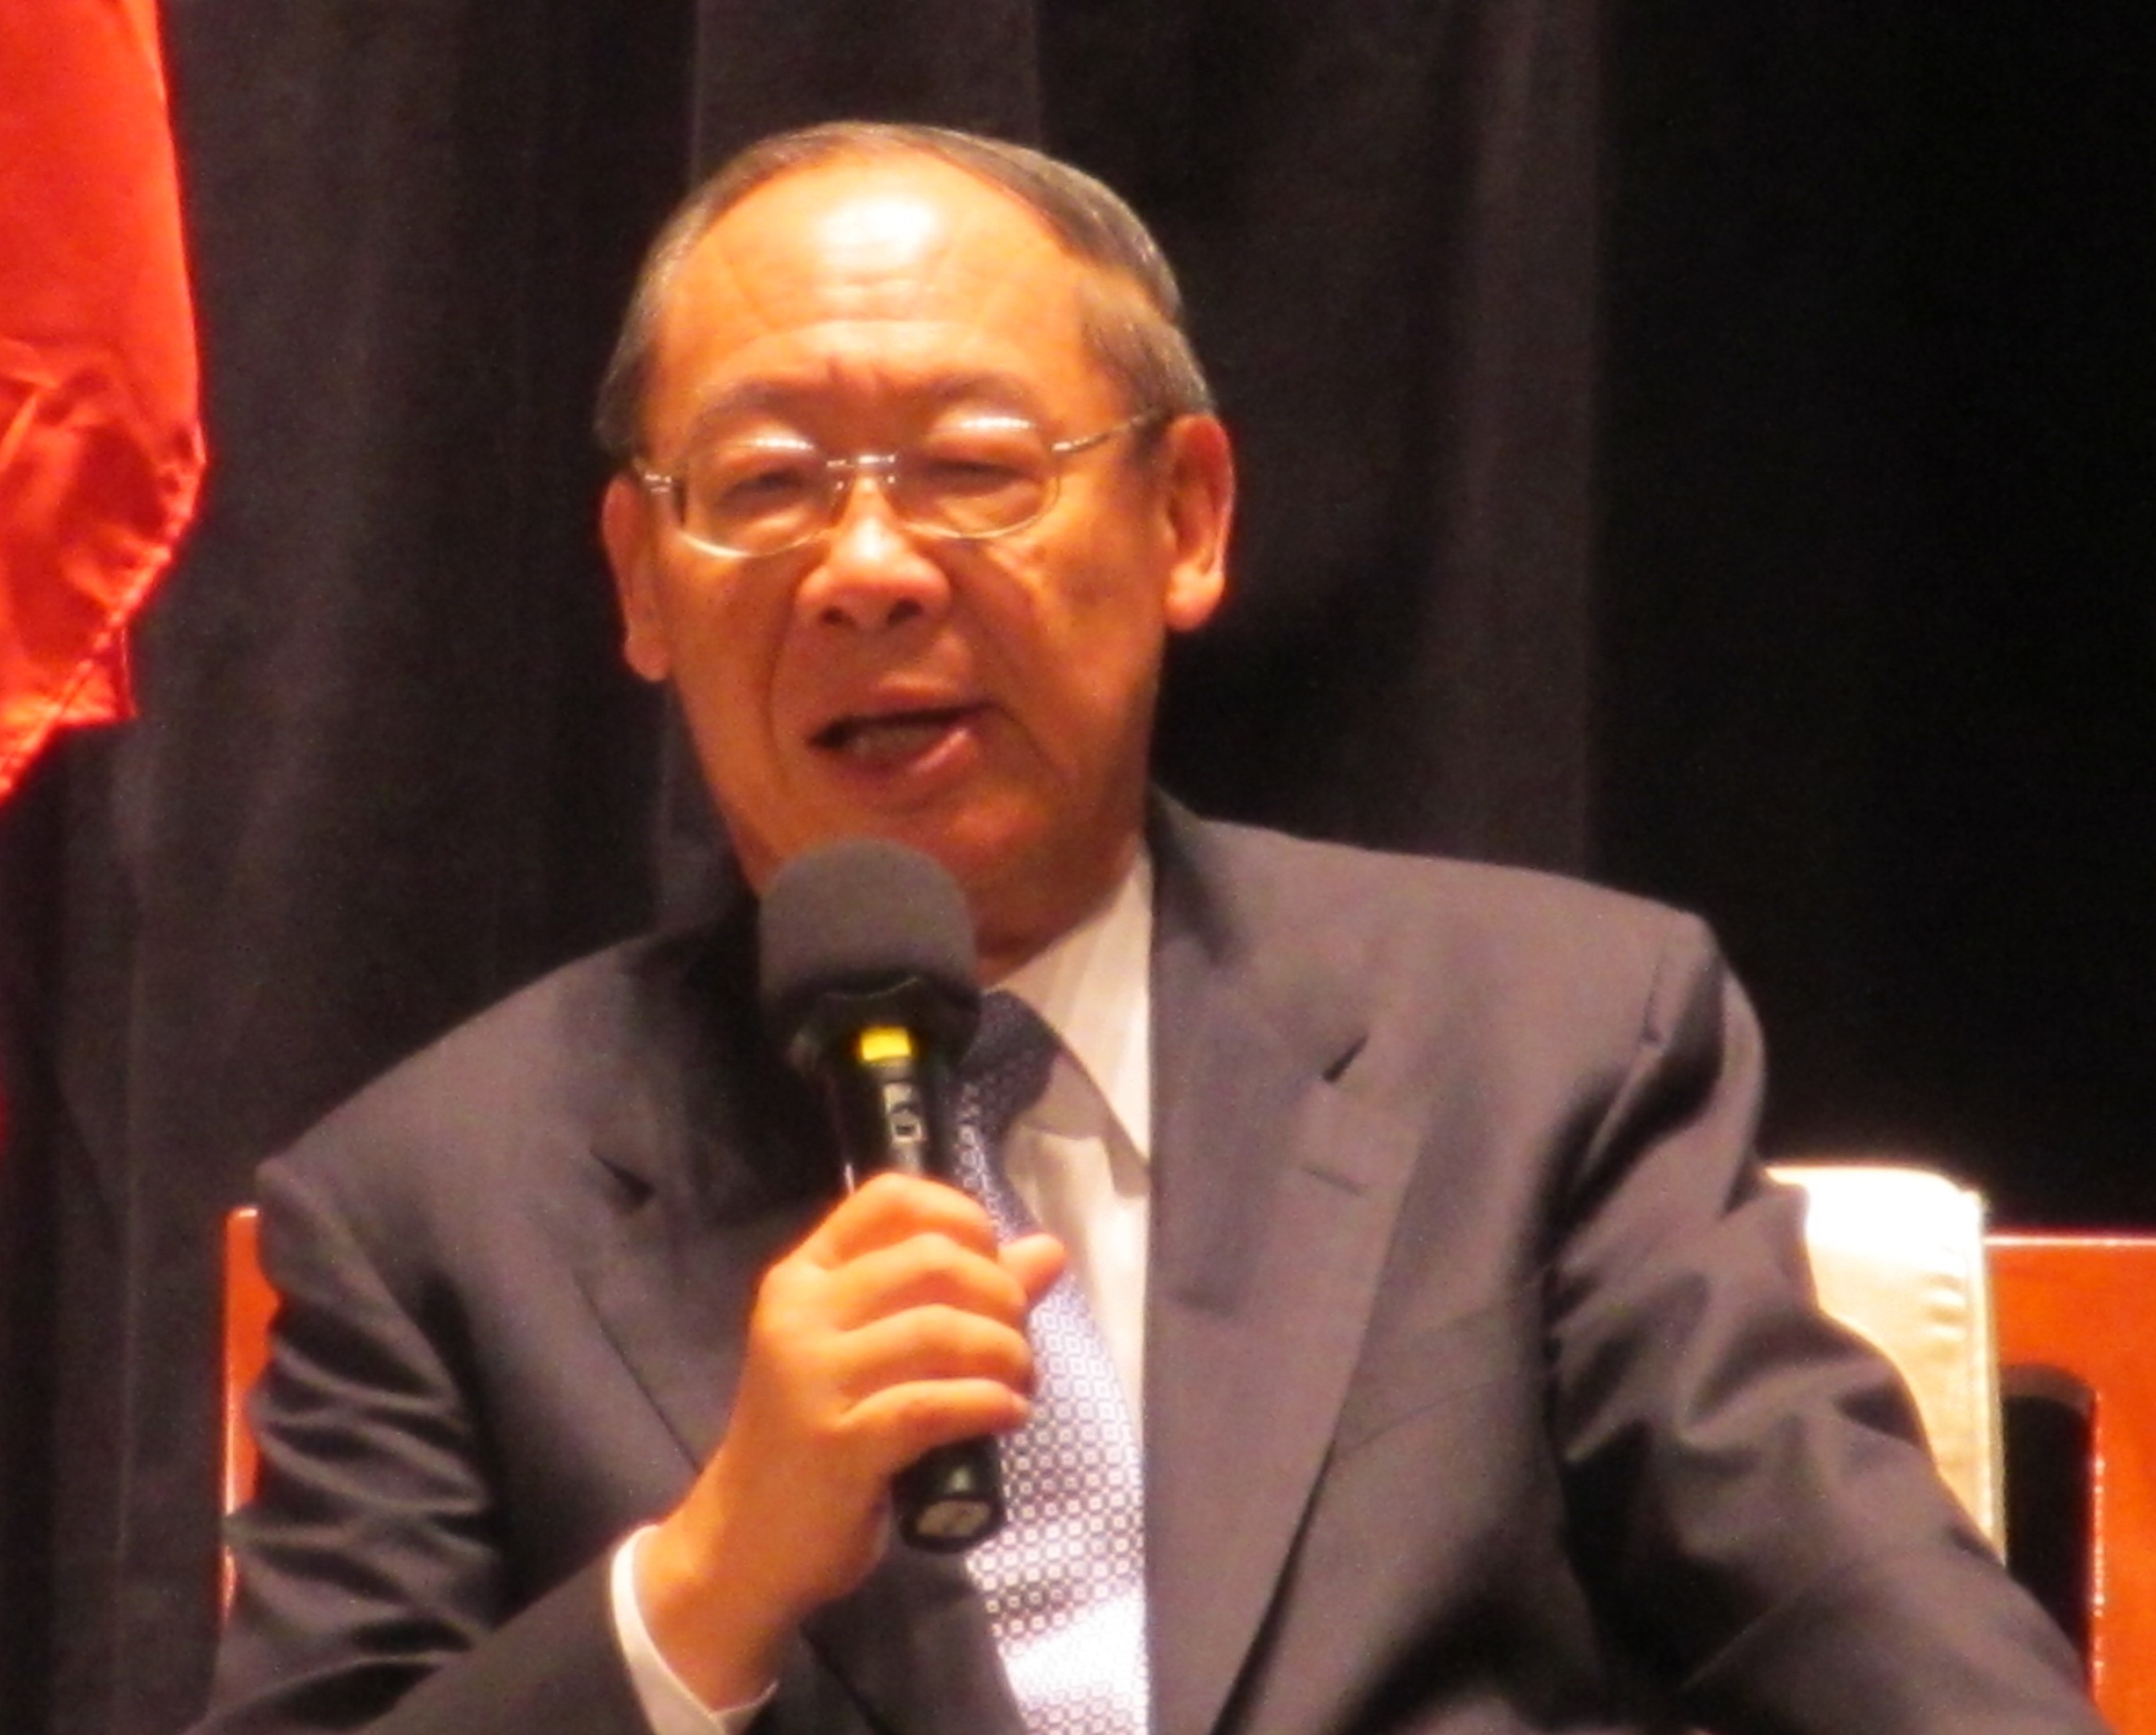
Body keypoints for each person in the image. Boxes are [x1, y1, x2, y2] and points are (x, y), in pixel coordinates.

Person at [197, 123, 2110, 1735]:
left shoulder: (1546, 1039)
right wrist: (703, 1585)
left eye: (972, 468)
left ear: (1186, 519)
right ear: (641, 585)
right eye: (768, 487)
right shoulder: (428, 1205)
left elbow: (1864, 1630)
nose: (868, 570)